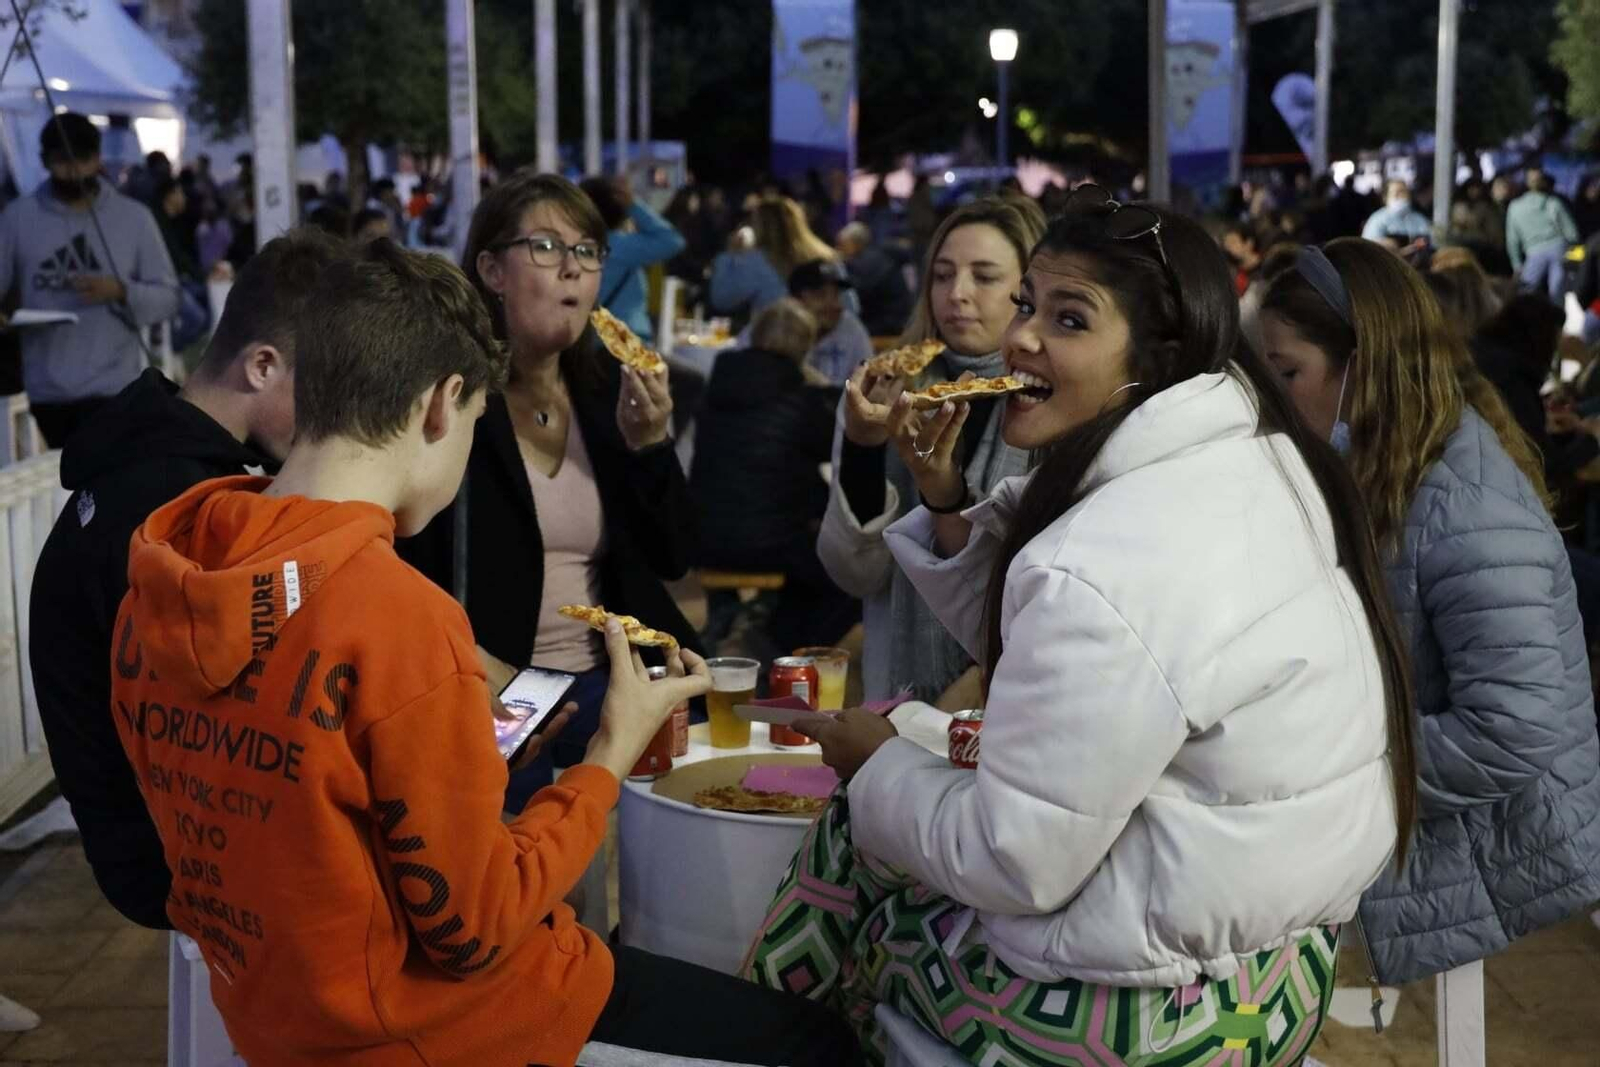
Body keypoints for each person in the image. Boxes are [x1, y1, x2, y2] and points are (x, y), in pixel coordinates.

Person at [108, 236, 861, 1067]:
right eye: (474, 422)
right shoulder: (396, 614)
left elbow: (306, 815)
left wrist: (473, 760)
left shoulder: (168, 569)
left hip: (275, 1016)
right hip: (440, 1026)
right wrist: (607, 755)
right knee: (825, 1044)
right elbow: (474, 930)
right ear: (443, 402)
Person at [747, 191, 1417, 1065]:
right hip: (1282, 967)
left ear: (1157, 353)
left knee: (860, 874)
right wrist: (945, 494)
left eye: (1068, 318)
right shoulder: (1246, 450)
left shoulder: (1114, 549)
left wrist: (874, 766)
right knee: (906, 770)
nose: (1019, 336)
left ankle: (767, 1036)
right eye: (1026, 302)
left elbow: (1016, 859)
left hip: (1160, 1020)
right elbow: (1058, 636)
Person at [1259, 239, 1600, 986]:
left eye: (1286, 374)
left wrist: (1340, 764)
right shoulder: (1389, 460)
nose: (1270, 402)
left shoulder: (1466, 505)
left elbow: (1513, 730)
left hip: (1493, 839)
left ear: (1363, 365)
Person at [29, 229, 340, 930]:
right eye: (324, 389)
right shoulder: (190, 510)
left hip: (132, 834)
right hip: (166, 859)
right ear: (262, 364)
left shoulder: (138, 458)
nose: (334, 420)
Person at [397, 171, 697, 812]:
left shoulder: (608, 393)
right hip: (496, 682)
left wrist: (651, 446)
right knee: (511, 835)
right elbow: (405, 559)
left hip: (608, 676)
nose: (572, 270)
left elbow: (674, 556)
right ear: (492, 270)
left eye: (587, 251)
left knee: (696, 781)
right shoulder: (448, 399)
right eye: (546, 247)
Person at [817, 196, 1042, 705]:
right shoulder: (885, 388)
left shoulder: (1048, 401)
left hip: (1009, 697)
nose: (957, 294)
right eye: (942, 275)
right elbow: (853, 574)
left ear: (1030, 292)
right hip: (894, 693)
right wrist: (862, 446)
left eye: (983, 277)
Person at [0, 112, 179, 448]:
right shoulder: (17, 219)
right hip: (47, 389)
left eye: (81, 160)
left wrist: (122, 291)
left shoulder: (134, 218)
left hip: (115, 386)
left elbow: (168, 297)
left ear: (97, 159)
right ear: (44, 161)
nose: (73, 171)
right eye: (61, 162)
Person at [690, 298, 856, 651]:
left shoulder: (715, 389)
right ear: (805, 347)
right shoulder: (802, 400)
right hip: (773, 543)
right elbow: (840, 444)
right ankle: (776, 640)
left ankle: (738, 614)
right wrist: (816, 381)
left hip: (704, 538)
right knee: (850, 575)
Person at [581, 175, 685, 342]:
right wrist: (633, 205)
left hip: (591, 341)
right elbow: (672, 240)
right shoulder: (620, 246)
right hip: (627, 340)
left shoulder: (575, 247)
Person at [710, 197, 837, 325]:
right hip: (822, 338)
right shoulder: (825, 256)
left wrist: (729, 256)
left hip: (774, 339)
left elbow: (721, 300)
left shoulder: (758, 261)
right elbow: (849, 306)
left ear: (760, 226)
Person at [787, 259, 873, 384]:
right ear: (796, 301)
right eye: (820, 295)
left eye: (836, 295)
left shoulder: (849, 326)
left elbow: (868, 379)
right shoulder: (775, 329)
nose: (834, 304)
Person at [1506, 167, 1581, 303]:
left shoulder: (1515, 207)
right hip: (1559, 248)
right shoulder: (1553, 203)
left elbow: (1512, 240)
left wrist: (1516, 264)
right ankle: (1557, 322)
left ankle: (1525, 321)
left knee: (1525, 293)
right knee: (1558, 292)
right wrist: (1574, 255)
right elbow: (1572, 233)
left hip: (1533, 252)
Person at [836, 221, 913, 338]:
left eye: (842, 244)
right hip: (898, 321)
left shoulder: (864, 265)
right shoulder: (880, 256)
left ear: (855, 243)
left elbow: (855, 298)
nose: (838, 249)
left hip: (885, 326)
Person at [1361, 178, 1433, 249]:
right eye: (1395, 192)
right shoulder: (1377, 219)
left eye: (1403, 192)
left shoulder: (1419, 219)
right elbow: (1367, 245)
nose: (1399, 196)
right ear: (1385, 198)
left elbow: (1432, 241)